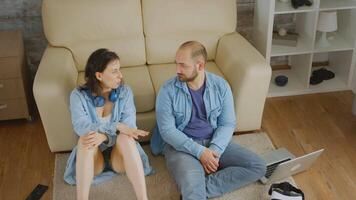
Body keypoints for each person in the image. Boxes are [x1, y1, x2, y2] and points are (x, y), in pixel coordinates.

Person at [150, 41, 267, 200]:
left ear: (200, 65)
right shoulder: (167, 90)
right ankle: (193, 188)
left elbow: (227, 123)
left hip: (212, 140)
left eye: (183, 65)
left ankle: (197, 188)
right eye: (176, 64)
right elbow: (167, 131)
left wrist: (214, 151)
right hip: (180, 146)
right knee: (192, 185)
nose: (177, 70)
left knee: (258, 166)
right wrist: (200, 153)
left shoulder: (221, 86)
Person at [64, 48, 154, 200]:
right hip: (94, 160)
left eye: (119, 70)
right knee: (86, 139)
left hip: (119, 156)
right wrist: (116, 126)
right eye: (114, 71)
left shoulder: (125, 92)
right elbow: (81, 127)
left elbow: (129, 128)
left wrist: (105, 136)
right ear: (99, 75)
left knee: (126, 138)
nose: (120, 76)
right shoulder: (77, 96)